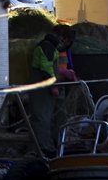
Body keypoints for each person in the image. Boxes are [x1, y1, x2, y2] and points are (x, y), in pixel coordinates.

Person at [28, 24, 77, 157]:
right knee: (42, 117)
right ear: (63, 37)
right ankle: (43, 149)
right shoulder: (47, 46)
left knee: (50, 116)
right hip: (42, 86)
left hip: (46, 85)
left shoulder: (51, 46)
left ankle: (52, 146)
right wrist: (53, 86)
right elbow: (46, 67)